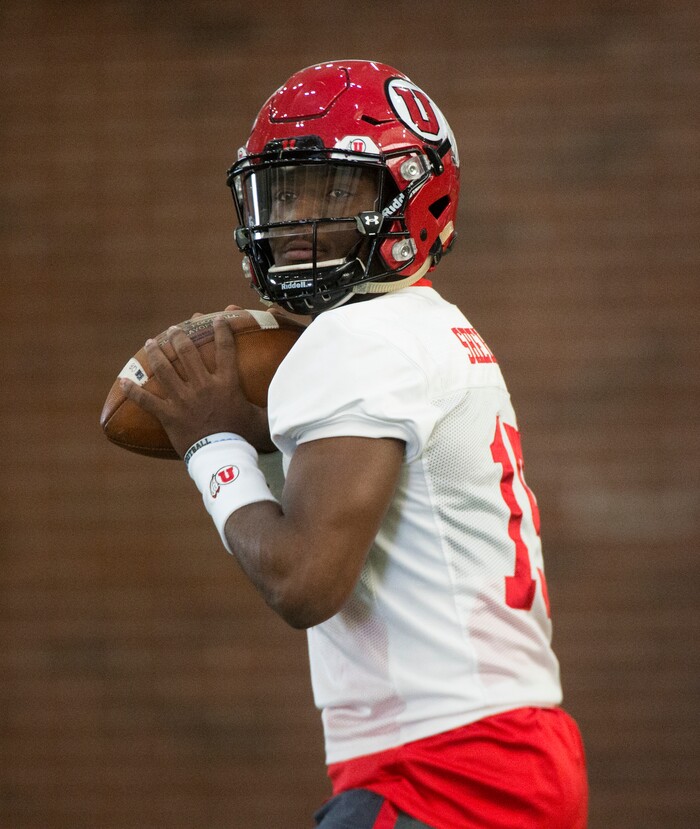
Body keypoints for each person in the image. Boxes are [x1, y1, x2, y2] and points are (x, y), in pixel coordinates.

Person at [120, 60, 588, 829]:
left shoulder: (361, 337)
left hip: (441, 771)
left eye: (333, 191)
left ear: (413, 195)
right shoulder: (430, 325)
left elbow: (304, 580)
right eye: (284, 192)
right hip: (510, 748)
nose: (293, 219)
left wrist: (210, 442)